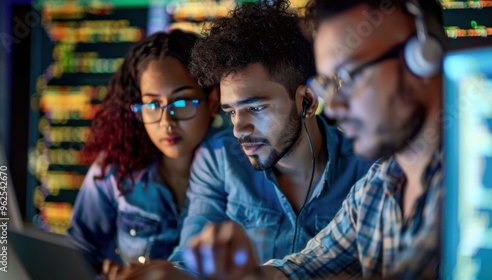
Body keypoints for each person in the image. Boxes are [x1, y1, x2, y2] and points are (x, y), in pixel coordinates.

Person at [182, 0, 447, 279]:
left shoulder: (476, 185)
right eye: (329, 85)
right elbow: (302, 269)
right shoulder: (376, 188)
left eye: (349, 77)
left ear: (422, 58)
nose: (332, 107)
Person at [123, 1, 372, 279]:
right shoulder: (219, 160)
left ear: (308, 101)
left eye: (255, 108)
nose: (238, 129)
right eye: (231, 112)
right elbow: (189, 258)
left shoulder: (369, 167)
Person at [66, 29, 220, 278]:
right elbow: (77, 252)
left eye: (181, 103)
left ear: (212, 101)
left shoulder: (236, 167)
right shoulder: (115, 168)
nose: (166, 121)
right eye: (152, 105)